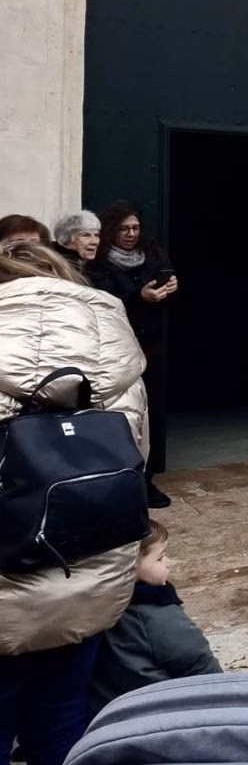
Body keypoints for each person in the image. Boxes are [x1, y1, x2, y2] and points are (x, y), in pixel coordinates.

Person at [0, 241, 147, 765]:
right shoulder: (113, 348)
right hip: (90, 569)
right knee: (63, 717)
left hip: (8, 576)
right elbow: (134, 457)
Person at [88, 201, 177, 509]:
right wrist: (140, 298)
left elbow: (163, 297)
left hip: (150, 349)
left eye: (135, 228)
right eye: (124, 229)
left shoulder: (152, 256)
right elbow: (104, 302)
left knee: (147, 419)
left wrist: (169, 291)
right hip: (114, 352)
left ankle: (146, 481)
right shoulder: (96, 262)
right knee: (117, 418)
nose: (130, 234)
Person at [88, 519, 221, 715]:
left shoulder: (86, 607)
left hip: (108, 715)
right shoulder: (156, 614)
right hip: (164, 714)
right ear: (128, 568)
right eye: (160, 558)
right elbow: (200, 669)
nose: (169, 562)